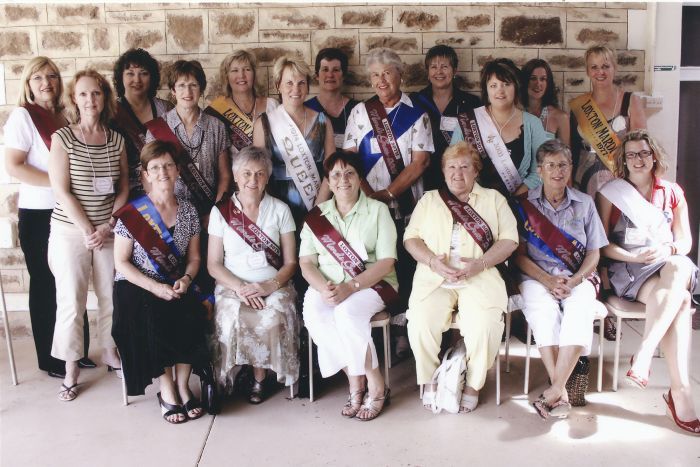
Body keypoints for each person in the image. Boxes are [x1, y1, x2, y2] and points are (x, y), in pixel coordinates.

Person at [597, 130, 699, 435]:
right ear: (623, 161)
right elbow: (603, 246)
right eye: (632, 155)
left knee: (680, 264)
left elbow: (685, 241)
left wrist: (667, 249)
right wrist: (633, 259)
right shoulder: (611, 193)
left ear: (653, 155)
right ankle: (678, 393)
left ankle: (644, 353)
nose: (638, 160)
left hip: (664, 265)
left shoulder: (672, 192)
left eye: (644, 153)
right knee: (679, 301)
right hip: (629, 269)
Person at [405, 141, 519, 413]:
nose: (458, 173)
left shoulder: (494, 200)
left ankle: (473, 384)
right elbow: (411, 239)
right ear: (443, 171)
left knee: (484, 327)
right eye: (452, 167)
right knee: (420, 322)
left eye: (465, 167)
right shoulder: (429, 200)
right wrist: (433, 261)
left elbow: (510, 240)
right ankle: (431, 380)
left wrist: (480, 264)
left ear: (476, 171)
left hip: (480, 277)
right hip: (435, 278)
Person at [4, 56, 94, 378]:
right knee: (46, 284)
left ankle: (76, 352)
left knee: (73, 282)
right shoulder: (23, 117)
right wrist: (58, 185)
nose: (46, 83)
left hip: (69, 211)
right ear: (28, 84)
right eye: (38, 77)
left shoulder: (66, 115)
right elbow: (14, 165)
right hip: (40, 213)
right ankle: (50, 357)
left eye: (52, 76)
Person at [112, 140, 208, 424]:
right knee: (151, 314)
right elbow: (121, 262)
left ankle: (183, 385)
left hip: (177, 281)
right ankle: (166, 390)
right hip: (137, 285)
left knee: (192, 311)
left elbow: (194, 258)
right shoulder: (132, 213)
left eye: (168, 165)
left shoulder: (189, 211)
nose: (162, 171)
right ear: (145, 174)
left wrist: (188, 279)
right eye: (155, 167)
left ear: (178, 170)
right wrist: (154, 287)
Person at [47, 69, 128, 401]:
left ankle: (110, 351)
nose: (90, 99)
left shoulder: (116, 139)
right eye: (83, 94)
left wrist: (108, 225)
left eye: (96, 93)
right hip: (71, 232)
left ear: (104, 97)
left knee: (112, 296)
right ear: (73, 99)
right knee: (72, 300)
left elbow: (124, 187)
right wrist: (87, 230)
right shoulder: (62, 138)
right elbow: (61, 191)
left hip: (108, 230)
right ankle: (70, 367)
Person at [343, 47, 434, 344]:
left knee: (406, 267)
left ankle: (404, 331)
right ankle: (375, 333)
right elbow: (350, 158)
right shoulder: (360, 112)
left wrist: (390, 192)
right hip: (368, 207)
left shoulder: (417, 114)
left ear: (400, 75)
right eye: (374, 75)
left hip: (407, 207)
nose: (381, 80)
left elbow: (421, 161)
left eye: (387, 73)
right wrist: (371, 196)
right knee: (373, 263)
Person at [512, 139, 608, 419]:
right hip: (536, 277)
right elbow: (517, 256)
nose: (557, 171)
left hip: (577, 277)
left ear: (571, 168)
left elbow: (594, 253)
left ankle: (554, 391)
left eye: (563, 165)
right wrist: (547, 280)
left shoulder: (585, 203)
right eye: (551, 165)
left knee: (579, 310)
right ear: (539, 170)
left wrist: (576, 279)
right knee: (543, 313)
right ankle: (561, 390)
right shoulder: (524, 206)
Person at [300, 151, 398, 421]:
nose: (343, 179)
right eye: (336, 175)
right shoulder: (316, 217)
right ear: (328, 182)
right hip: (328, 285)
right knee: (315, 314)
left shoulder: (378, 211)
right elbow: (306, 262)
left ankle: (375, 384)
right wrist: (324, 289)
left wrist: (351, 287)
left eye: (350, 173)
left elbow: (387, 262)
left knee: (345, 313)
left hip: (372, 285)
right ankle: (356, 381)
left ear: (359, 178)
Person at [208, 146, 299, 403]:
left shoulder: (280, 210)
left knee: (272, 315)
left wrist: (269, 286)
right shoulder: (220, 212)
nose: (253, 180)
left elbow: (291, 263)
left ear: (267, 178)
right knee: (231, 316)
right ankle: (231, 374)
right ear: (235, 176)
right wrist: (240, 288)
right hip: (231, 285)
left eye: (260, 174)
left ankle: (261, 378)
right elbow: (213, 265)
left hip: (274, 284)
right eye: (246, 173)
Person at [253, 56, 335, 227]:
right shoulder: (264, 123)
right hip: (276, 204)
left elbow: (332, 168)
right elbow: (258, 170)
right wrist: (271, 207)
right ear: (278, 86)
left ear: (307, 87)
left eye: (301, 83)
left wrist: (318, 207)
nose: (295, 89)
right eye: (289, 83)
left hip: (318, 201)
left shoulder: (323, 121)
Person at [450, 60, 549, 198]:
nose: (500, 91)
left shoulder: (533, 124)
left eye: (506, 84)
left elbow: (541, 170)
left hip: (518, 202)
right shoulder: (468, 121)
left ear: (516, 87)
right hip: (475, 203)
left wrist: (514, 199)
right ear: (486, 89)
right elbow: (452, 165)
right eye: (493, 85)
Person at [145, 60, 232, 217]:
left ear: (201, 89)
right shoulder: (158, 129)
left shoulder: (217, 126)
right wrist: (162, 213)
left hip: (208, 213)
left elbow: (225, 176)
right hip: (171, 215)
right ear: (173, 90)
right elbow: (149, 177)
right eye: (181, 85)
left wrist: (215, 215)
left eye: (193, 85)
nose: (188, 91)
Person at [570, 45, 646, 197]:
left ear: (614, 68)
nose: (600, 72)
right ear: (587, 71)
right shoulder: (579, 106)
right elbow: (571, 150)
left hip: (620, 181)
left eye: (605, 66)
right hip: (583, 181)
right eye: (594, 67)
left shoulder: (631, 101)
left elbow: (641, 149)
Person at [411, 45, 482, 191]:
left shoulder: (471, 103)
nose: (439, 72)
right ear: (428, 71)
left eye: (444, 66)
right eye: (433, 67)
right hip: (423, 175)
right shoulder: (415, 102)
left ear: (454, 70)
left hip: (459, 176)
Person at [111, 48, 173, 199]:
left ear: (152, 77)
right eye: (130, 73)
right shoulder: (112, 112)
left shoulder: (165, 109)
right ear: (121, 77)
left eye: (143, 73)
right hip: (125, 193)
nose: (137, 80)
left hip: (163, 189)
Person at [205, 50, 278, 161]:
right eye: (235, 70)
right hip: (233, 176)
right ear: (226, 77)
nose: (241, 75)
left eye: (247, 69)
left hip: (270, 174)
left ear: (254, 74)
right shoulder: (216, 111)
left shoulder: (272, 105)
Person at [305, 48, 360, 150]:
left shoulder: (358, 109)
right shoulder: (306, 108)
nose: (330, 75)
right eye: (325, 69)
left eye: (336, 70)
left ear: (343, 75)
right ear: (317, 75)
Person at [520, 59, 569, 146]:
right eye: (533, 78)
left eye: (543, 79)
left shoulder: (561, 117)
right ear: (525, 81)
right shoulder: (515, 113)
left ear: (548, 83)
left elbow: (566, 157)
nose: (538, 84)